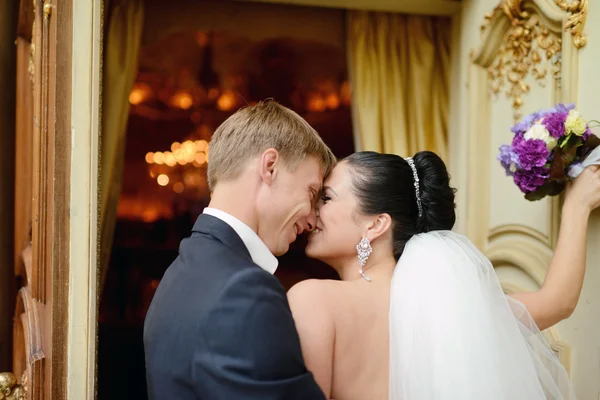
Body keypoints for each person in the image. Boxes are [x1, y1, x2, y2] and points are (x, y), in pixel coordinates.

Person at [289, 150, 600, 400]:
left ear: (376, 224)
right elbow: (557, 302)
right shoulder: (450, 304)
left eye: (326, 198)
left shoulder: (312, 299)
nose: (310, 209)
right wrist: (578, 205)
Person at [144, 100, 336, 399]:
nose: (312, 219)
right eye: (311, 192)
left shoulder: (182, 268)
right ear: (269, 167)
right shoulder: (245, 291)